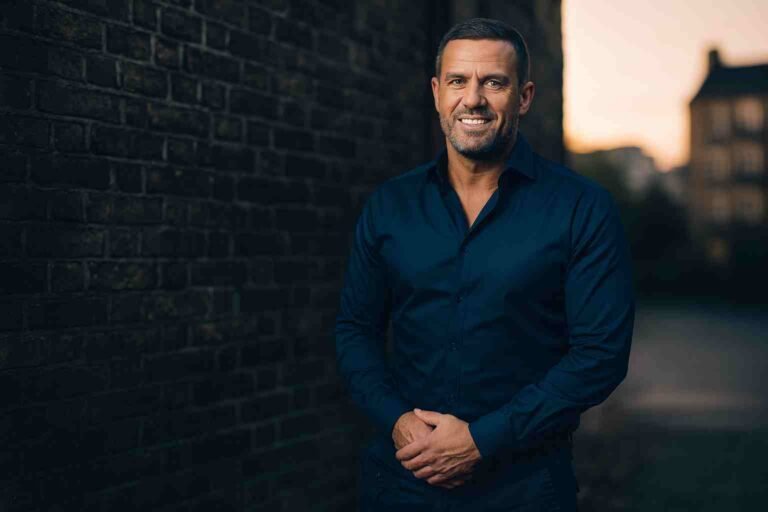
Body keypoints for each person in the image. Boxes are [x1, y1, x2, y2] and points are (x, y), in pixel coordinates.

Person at [334, 17, 635, 511]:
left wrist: (481, 440)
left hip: (524, 489)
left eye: (493, 82)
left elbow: (599, 356)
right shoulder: (390, 206)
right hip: (401, 482)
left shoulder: (583, 209)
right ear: (436, 92)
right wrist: (397, 419)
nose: (472, 99)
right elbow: (353, 329)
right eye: (457, 81)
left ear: (524, 96)